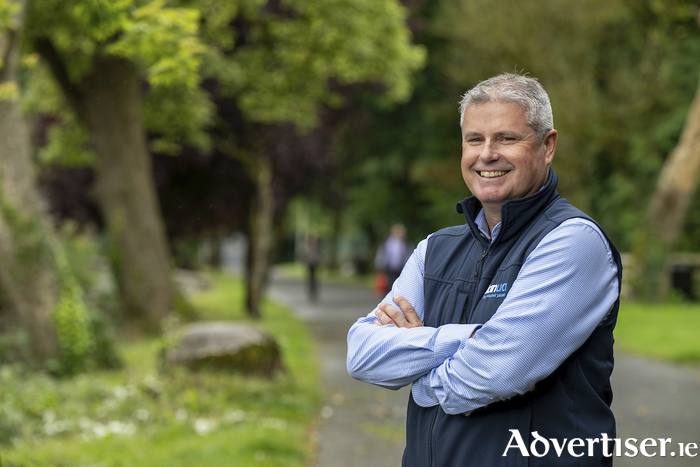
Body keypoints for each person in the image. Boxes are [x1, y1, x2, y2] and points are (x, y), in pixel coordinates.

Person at [347, 73, 622, 467]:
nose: (487, 154)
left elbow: (489, 375)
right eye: (475, 139)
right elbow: (362, 355)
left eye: (507, 138)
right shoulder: (433, 249)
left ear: (547, 146)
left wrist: (417, 358)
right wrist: (471, 338)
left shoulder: (574, 242)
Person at [374, 223, 413, 295]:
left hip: (402, 269)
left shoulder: (407, 244)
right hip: (388, 269)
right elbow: (381, 255)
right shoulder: (386, 242)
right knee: (388, 287)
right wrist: (380, 266)